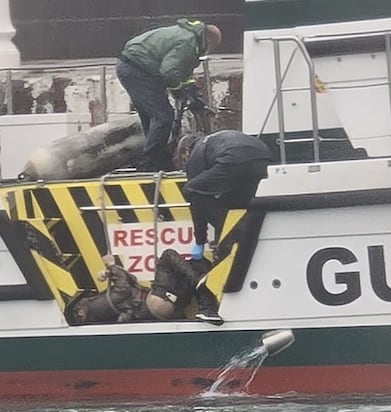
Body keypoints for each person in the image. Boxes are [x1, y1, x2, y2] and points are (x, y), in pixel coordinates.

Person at [116, 19, 222, 171]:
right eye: (213, 47)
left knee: (150, 116)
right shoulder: (189, 43)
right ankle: (151, 161)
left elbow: (182, 71)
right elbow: (169, 71)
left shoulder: (189, 37)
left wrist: (191, 92)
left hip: (134, 67)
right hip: (137, 69)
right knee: (163, 116)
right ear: (209, 39)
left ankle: (154, 158)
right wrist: (178, 91)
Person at [175, 130, 274, 260]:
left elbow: (196, 201)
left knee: (191, 189)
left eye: (183, 160)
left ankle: (233, 232)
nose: (185, 164)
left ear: (185, 151)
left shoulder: (196, 153)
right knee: (234, 201)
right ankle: (244, 233)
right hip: (263, 157)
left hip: (233, 159)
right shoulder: (215, 140)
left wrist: (200, 241)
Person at [67, 249, 223, 325]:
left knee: (197, 264)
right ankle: (200, 285)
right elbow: (124, 288)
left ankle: (206, 308)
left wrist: (110, 273)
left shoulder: (106, 314)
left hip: (169, 309)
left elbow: (131, 280)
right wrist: (112, 265)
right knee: (167, 255)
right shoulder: (105, 301)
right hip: (157, 300)